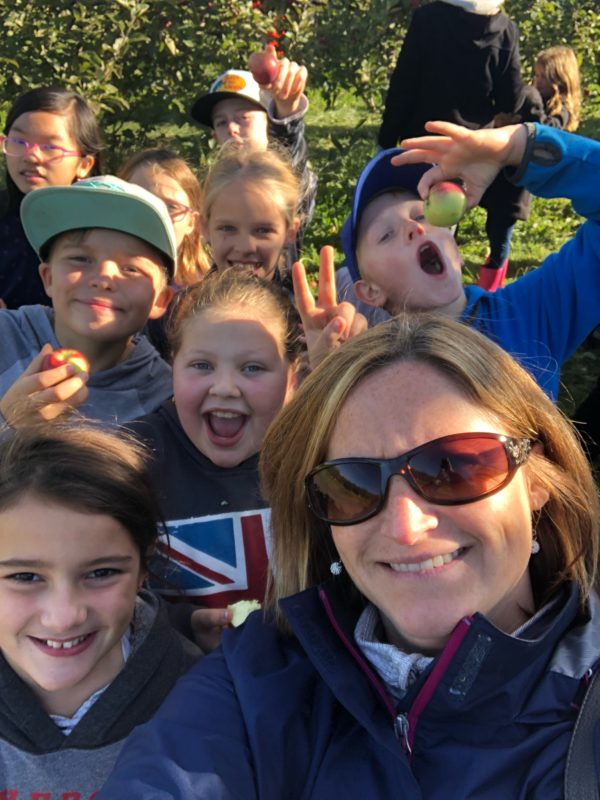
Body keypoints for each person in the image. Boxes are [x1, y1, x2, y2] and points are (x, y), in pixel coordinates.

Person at [97, 313, 600, 798]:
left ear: (536, 480)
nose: (405, 528)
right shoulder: (254, 681)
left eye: (454, 467)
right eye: (353, 485)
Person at [333, 119, 600, 401]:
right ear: (370, 292)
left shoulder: (527, 314)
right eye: (386, 235)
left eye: (423, 214)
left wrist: (517, 146)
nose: (414, 227)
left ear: (455, 249)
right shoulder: (372, 379)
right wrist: (329, 377)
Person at [0, 422, 201, 797]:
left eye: (101, 573)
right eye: (25, 576)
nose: (64, 617)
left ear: (143, 568)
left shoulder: (203, 701)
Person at [125, 268, 304, 651]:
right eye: (202, 366)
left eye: (252, 368)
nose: (224, 388)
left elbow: (346, 572)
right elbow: (98, 586)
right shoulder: (128, 461)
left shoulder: (314, 455)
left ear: (292, 377)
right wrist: (184, 622)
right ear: (172, 367)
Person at [0, 175, 177, 427]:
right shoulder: (5, 336)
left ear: (160, 300)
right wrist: (8, 425)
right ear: (48, 278)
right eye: (81, 259)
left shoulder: (167, 399)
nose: (103, 278)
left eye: (131, 269)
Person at [190, 46, 317, 265]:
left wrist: (287, 114)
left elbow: (291, 160)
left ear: (269, 122)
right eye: (221, 122)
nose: (231, 128)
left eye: (243, 118)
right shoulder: (211, 186)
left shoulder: (283, 181)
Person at [478, 45, 582, 290]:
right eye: (535, 75)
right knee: (493, 228)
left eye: (543, 76)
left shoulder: (560, 110)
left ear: (559, 79)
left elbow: (546, 131)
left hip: (517, 185)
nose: (537, 81)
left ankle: (489, 288)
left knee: (500, 235)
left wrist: (531, 104)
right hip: (501, 177)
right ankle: (491, 277)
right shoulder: (534, 100)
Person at [0, 85, 103, 309]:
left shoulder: (105, 231)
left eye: (50, 147)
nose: (31, 156)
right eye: (19, 142)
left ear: (84, 164)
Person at [201, 141, 301, 287]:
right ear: (205, 227)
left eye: (263, 230)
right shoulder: (185, 301)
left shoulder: (297, 302)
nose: (245, 247)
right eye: (228, 228)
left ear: (290, 232)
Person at [119, 147, 210, 287]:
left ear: (192, 222)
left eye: (171, 207)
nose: (155, 216)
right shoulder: (96, 277)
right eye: (140, 202)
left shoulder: (206, 292)